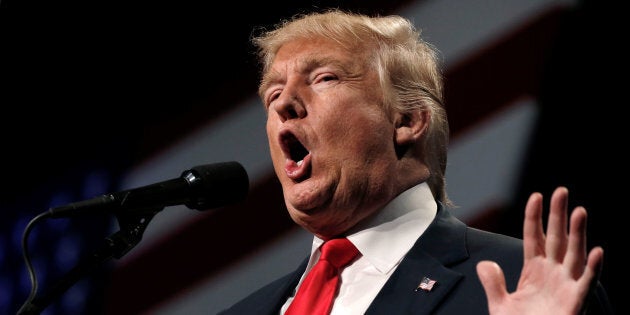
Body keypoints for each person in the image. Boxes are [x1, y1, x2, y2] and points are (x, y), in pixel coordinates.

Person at [218, 9, 613, 315]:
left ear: (407, 120)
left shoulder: (518, 280)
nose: (284, 104)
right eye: (272, 96)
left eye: (324, 78)